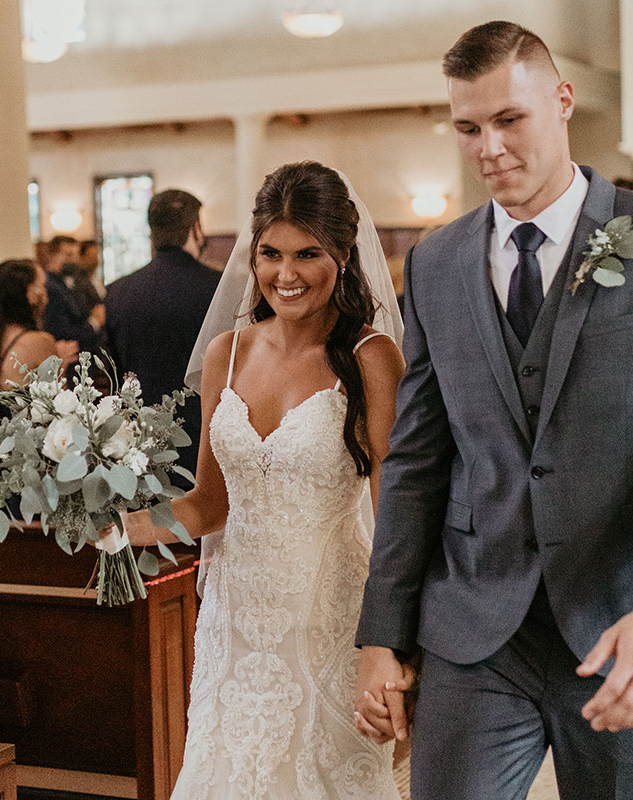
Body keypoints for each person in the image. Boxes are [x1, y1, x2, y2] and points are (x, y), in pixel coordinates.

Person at [354, 22, 633, 800]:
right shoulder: (436, 264)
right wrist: (381, 634)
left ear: (562, 101)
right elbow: (419, 461)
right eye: (468, 127)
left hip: (624, 615)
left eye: (509, 119)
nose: (488, 147)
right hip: (475, 625)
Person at [111, 162, 406, 798]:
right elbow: (208, 503)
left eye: (307, 254)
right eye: (270, 254)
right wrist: (119, 527)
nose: (285, 274)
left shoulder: (371, 357)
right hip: (234, 619)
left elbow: (396, 525)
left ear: (344, 254)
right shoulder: (229, 351)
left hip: (330, 618)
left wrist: (393, 650)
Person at [104, 189, 222, 485]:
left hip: (138, 446)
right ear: (195, 228)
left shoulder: (118, 292)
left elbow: (112, 371)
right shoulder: (218, 289)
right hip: (204, 443)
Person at [0, 259, 78, 392]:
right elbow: (58, 402)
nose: (46, 295)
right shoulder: (39, 341)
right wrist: (60, 363)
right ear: (31, 294)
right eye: (43, 286)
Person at [42, 235, 103, 355]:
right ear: (52, 255)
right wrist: (94, 323)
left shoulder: (68, 282)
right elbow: (62, 332)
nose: (73, 261)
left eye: (75, 256)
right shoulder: (51, 288)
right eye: (68, 255)